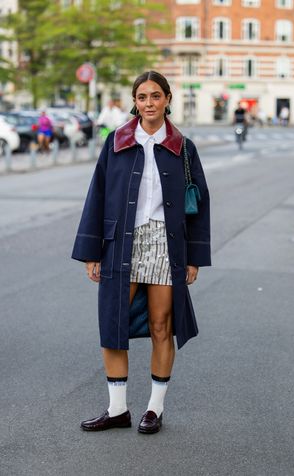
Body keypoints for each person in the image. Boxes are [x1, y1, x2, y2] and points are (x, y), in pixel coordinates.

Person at [72, 70, 211, 435]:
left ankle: (154, 408)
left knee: (162, 324)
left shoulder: (182, 147)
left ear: (167, 99)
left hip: (167, 245)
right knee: (113, 322)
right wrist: (92, 251)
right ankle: (117, 409)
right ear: (135, 102)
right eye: (142, 97)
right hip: (122, 242)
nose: (148, 103)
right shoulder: (117, 141)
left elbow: (201, 203)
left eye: (155, 96)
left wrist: (194, 258)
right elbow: (97, 195)